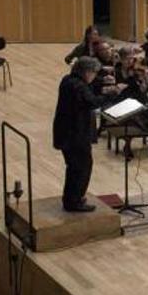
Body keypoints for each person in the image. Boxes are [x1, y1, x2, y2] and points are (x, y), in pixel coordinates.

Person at [53, 57, 125, 212]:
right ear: (86, 72)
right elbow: (92, 101)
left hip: (68, 133)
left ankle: (72, 198)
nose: (94, 76)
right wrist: (112, 93)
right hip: (75, 135)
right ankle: (74, 202)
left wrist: (101, 83)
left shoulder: (69, 80)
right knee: (81, 167)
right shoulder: (78, 86)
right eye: (93, 73)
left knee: (74, 167)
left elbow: (88, 89)